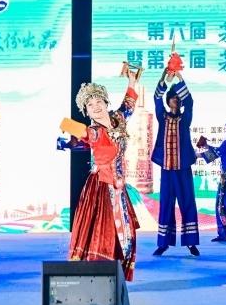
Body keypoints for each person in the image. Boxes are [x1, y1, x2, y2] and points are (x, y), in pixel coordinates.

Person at [59, 78, 141, 281]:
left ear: (106, 103)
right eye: (90, 105)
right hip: (101, 187)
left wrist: (132, 82)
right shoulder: (94, 132)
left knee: (127, 233)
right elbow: (81, 132)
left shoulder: (118, 119)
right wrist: (66, 125)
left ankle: (115, 274)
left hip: (119, 187)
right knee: (102, 232)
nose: (95, 107)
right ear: (86, 111)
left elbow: (129, 104)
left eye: (98, 102)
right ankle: (98, 275)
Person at [151, 71, 200, 257]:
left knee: (187, 203)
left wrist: (180, 79)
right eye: (173, 98)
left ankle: (191, 243)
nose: (176, 101)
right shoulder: (162, 117)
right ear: (168, 101)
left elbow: (190, 102)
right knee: (166, 204)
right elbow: (157, 98)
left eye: (178, 99)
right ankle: (163, 243)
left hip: (183, 168)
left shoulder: (185, 119)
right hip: (167, 169)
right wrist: (165, 77)